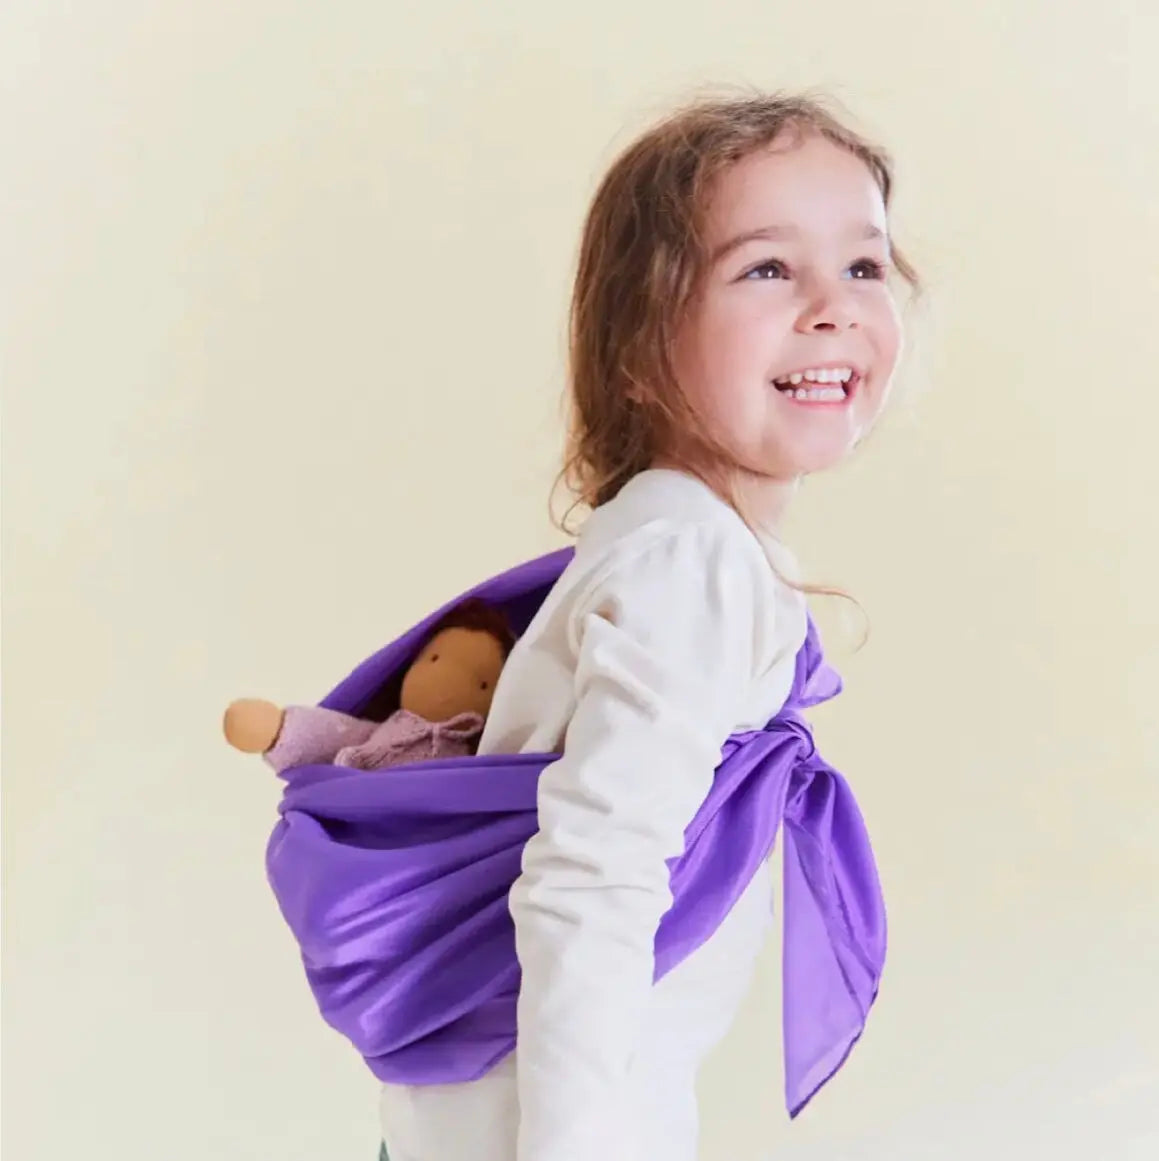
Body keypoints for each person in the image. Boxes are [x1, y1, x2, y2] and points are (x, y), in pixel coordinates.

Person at [377, 90, 919, 1161]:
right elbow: (590, 887)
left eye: (864, 265)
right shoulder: (689, 567)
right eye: (767, 268)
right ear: (639, 339)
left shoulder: (666, 537)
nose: (833, 306)